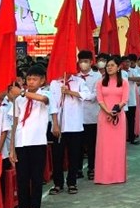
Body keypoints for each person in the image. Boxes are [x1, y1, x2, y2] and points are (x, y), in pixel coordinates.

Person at [9, 65, 52, 208]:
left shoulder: (45, 93)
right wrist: (12, 148)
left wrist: (21, 92)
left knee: (36, 176)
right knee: (22, 177)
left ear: (42, 81)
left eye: (35, 79)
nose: (31, 82)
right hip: (21, 141)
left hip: (37, 142)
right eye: (29, 79)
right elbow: (15, 123)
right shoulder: (19, 99)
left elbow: (43, 100)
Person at [50, 62, 94, 195]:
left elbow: (87, 95)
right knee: (57, 156)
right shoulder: (54, 83)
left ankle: (72, 182)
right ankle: (58, 183)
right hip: (59, 126)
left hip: (74, 126)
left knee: (74, 156)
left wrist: (69, 92)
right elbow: (52, 105)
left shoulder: (79, 81)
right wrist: (55, 124)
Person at [95, 57, 129, 184]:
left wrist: (114, 111)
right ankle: (103, 176)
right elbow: (100, 100)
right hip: (104, 117)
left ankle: (118, 176)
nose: (109, 67)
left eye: (112, 65)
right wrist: (107, 111)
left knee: (117, 147)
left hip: (118, 118)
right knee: (104, 147)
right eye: (107, 65)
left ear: (118, 67)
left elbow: (124, 100)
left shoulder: (124, 83)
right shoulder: (100, 82)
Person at [74, 51, 100, 181]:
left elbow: (95, 95)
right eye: (81, 61)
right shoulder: (75, 77)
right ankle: (78, 168)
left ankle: (92, 168)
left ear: (91, 62)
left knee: (92, 145)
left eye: (86, 61)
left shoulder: (97, 77)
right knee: (77, 145)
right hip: (77, 117)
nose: (83, 64)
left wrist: (80, 95)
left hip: (92, 116)